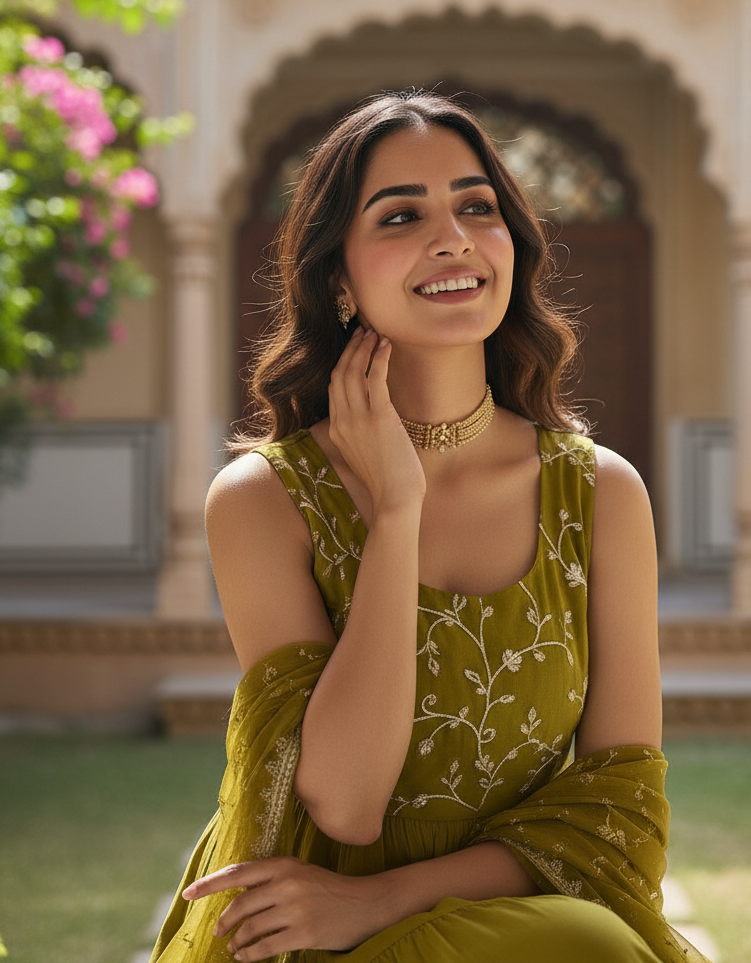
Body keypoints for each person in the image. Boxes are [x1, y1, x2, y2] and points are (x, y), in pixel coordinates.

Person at [150, 91, 711, 963]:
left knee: (585, 943)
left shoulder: (599, 493)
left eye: (476, 207)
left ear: (511, 248)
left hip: (514, 926)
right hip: (301, 933)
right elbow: (345, 802)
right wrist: (397, 511)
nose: (452, 237)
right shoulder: (264, 499)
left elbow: (617, 812)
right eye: (402, 215)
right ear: (338, 278)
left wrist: (379, 900)